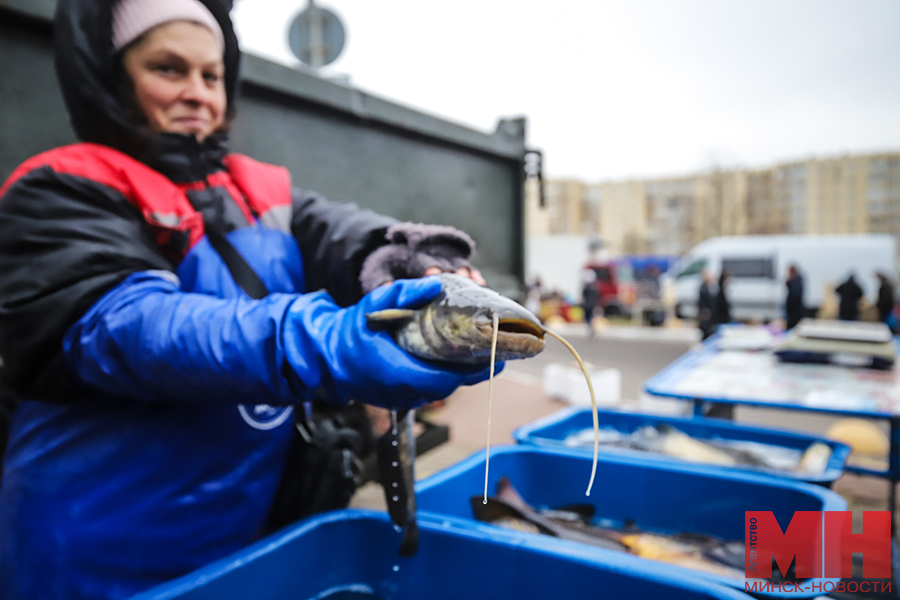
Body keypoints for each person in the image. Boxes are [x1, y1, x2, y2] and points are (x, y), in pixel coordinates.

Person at [0, 1, 499, 598]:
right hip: (98, 553)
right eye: (168, 68)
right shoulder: (58, 189)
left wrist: (402, 259)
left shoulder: (256, 187)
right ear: (110, 77)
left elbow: (342, 234)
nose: (197, 93)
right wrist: (324, 345)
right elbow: (130, 328)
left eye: (211, 75)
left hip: (244, 539)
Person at [697, 269, 716, 340]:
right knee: (706, 329)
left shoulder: (705, 287)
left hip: (705, 311)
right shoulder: (704, 288)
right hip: (705, 311)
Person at [785, 264, 805, 330]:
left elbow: (794, 297)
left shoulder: (795, 283)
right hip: (795, 310)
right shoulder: (798, 281)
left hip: (794, 311)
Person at [581, 268, 599, 336]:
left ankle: (590, 328)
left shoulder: (587, 287)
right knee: (590, 317)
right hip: (591, 304)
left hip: (588, 305)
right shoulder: (594, 287)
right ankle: (591, 329)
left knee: (588, 317)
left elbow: (584, 295)